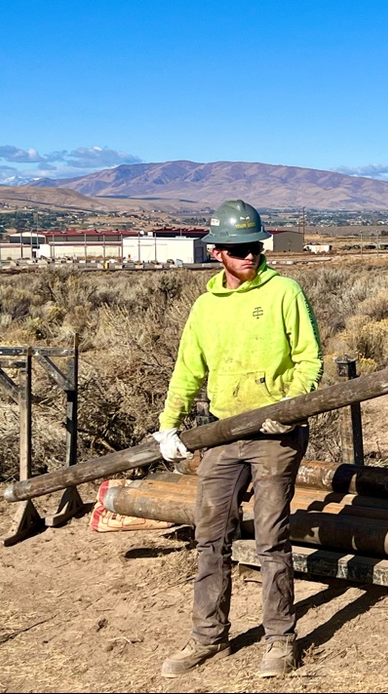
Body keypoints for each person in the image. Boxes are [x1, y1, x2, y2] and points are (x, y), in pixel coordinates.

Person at [151, 199, 323, 678]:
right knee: (211, 537)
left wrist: (288, 409)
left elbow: (310, 359)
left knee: (271, 537)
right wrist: (169, 425)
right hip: (224, 434)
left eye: (254, 246)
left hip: (275, 435)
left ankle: (279, 639)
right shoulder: (206, 308)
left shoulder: (285, 292)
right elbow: (188, 371)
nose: (250, 255)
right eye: (239, 249)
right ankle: (207, 638)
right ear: (217, 253)